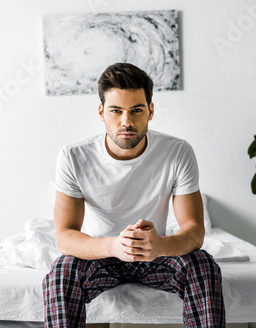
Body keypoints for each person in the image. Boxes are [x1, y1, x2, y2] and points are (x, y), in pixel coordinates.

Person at [43, 62, 225, 327]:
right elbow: (65, 237)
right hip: (101, 255)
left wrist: (160, 245)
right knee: (62, 271)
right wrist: (115, 245)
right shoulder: (73, 156)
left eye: (136, 110)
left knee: (202, 264)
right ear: (101, 112)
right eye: (116, 111)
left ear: (150, 111)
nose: (126, 121)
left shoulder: (177, 152)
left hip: (157, 253)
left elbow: (194, 231)